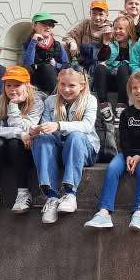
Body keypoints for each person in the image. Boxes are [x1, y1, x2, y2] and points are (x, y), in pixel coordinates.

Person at [85, 70, 140, 232]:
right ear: (130, 90)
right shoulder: (126, 113)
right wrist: (129, 155)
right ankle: (104, 212)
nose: (139, 91)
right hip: (128, 152)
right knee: (113, 167)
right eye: (134, 88)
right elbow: (123, 139)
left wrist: (139, 155)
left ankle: (139, 212)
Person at [30, 67, 99, 224]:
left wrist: (59, 125)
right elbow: (47, 129)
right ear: (58, 83)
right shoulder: (50, 101)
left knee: (76, 136)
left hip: (83, 149)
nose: (66, 89)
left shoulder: (90, 100)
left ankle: (70, 194)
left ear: (82, 85)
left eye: (72, 85)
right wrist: (37, 130)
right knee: (41, 140)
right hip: (59, 149)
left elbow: (87, 126)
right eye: (62, 84)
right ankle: (52, 197)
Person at [0, 65, 43, 215]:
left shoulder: (37, 102)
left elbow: (28, 129)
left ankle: (23, 193)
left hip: (25, 150)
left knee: (15, 143)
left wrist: (14, 106)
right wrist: (17, 133)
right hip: (2, 151)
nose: (12, 89)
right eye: (8, 85)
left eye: (17, 85)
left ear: (27, 85)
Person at [93, 14, 135, 123]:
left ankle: (121, 104)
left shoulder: (134, 45)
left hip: (125, 82)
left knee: (123, 67)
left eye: (121, 28)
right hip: (110, 80)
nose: (117, 31)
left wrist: (121, 64)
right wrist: (105, 43)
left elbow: (134, 64)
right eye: (115, 28)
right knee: (100, 67)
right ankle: (103, 104)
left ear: (129, 30)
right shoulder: (111, 44)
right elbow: (101, 57)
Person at [22, 13, 69, 95]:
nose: (48, 27)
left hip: (55, 80)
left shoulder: (57, 45)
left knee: (48, 67)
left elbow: (66, 65)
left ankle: (56, 97)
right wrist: (33, 42)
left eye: (51, 25)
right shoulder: (27, 44)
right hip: (36, 82)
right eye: (44, 24)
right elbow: (28, 64)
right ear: (34, 26)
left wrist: (56, 65)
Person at [65, 0, 112, 68]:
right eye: (94, 14)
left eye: (101, 14)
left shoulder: (109, 30)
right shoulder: (85, 24)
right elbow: (68, 36)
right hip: (82, 60)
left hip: (99, 63)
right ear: (90, 13)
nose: (97, 18)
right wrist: (72, 43)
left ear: (106, 15)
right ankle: (66, 68)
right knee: (64, 44)